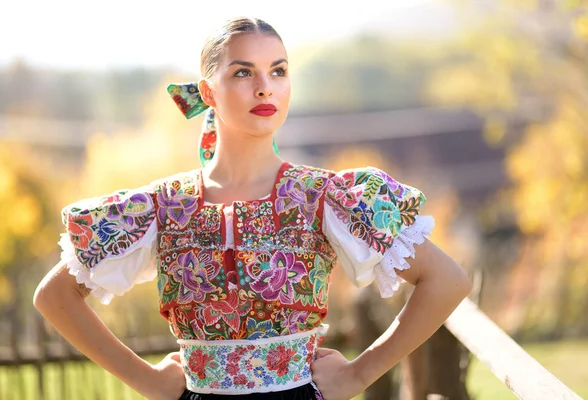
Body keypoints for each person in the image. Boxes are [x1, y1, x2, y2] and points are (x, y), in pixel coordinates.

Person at [33, 16, 472, 400]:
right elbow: (54, 296)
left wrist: (361, 372)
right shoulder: (162, 207)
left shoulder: (322, 196)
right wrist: (147, 381)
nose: (265, 86)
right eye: (243, 72)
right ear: (208, 91)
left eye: (278, 71)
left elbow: (446, 280)